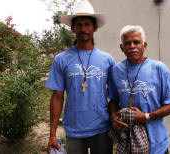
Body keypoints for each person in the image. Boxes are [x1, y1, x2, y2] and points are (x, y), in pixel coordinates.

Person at [45, 0, 114, 154]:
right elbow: (57, 96)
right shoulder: (61, 59)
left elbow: (114, 95)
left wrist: (115, 119)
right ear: (72, 28)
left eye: (88, 24)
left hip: (102, 130)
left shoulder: (107, 60)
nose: (83, 29)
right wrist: (52, 134)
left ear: (95, 28)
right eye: (79, 25)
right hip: (74, 131)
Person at [109, 25, 170, 154]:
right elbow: (113, 100)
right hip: (127, 142)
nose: (132, 46)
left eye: (136, 42)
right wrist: (113, 116)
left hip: (157, 144)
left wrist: (146, 116)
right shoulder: (116, 70)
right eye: (127, 43)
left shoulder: (159, 69)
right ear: (122, 48)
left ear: (144, 45)